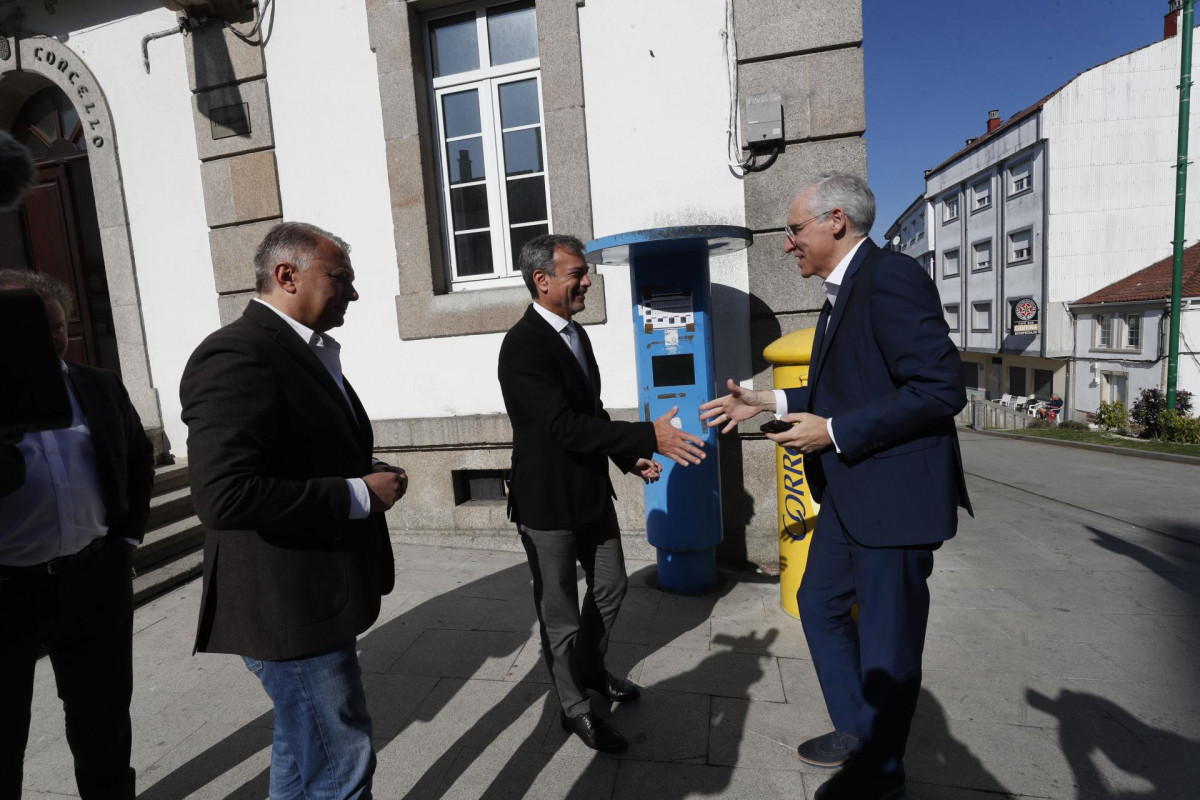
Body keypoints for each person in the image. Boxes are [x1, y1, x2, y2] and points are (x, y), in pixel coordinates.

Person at [700, 174, 972, 800]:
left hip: (894, 501)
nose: (788, 243)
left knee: (887, 643)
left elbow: (939, 390)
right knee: (820, 605)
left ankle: (881, 775)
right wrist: (765, 398)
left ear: (836, 221)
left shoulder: (890, 278)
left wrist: (836, 432)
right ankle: (860, 734)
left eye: (794, 229)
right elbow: (849, 383)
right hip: (852, 497)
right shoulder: (840, 289)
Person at [179, 222, 407, 800]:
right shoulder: (237, 352)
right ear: (287, 275)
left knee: (299, 747)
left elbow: (296, 450)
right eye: (341, 279)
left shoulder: (302, 349)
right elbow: (224, 495)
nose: (353, 294)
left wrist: (363, 470)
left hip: (313, 596)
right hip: (288, 606)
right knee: (341, 766)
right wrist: (358, 494)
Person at [497, 234, 707, 753]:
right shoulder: (522, 346)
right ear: (542, 280)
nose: (587, 280)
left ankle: (589, 668)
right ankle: (573, 708)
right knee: (561, 614)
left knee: (611, 586)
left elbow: (589, 415)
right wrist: (647, 436)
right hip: (547, 503)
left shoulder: (576, 336)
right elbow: (560, 428)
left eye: (586, 272)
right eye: (577, 273)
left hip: (589, 491)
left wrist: (625, 456)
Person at [0, 269, 154, 800]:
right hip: (6, 591)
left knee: (104, 725)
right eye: (34, 330)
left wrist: (126, 543)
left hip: (92, 579)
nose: (51, 341)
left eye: (58, 327)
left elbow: (136, 460)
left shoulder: (99, 385)